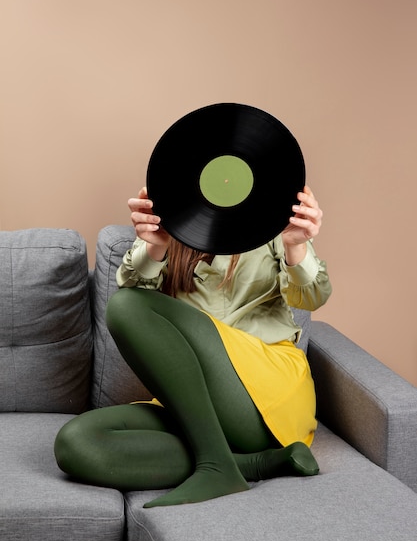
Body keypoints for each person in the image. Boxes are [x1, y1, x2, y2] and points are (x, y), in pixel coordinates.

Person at [54, 184, 331, 508]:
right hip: (203, 409)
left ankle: (216, 465)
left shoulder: (271, 222)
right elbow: (135, 287)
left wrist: (295, 247)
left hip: (267, 394)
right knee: (75, 443)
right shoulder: (177, 226)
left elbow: (311, 296)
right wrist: (156, 247)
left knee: (125, 306)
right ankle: (254, 463)